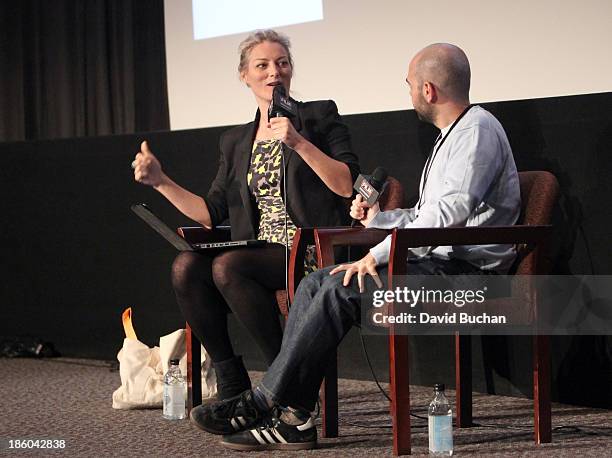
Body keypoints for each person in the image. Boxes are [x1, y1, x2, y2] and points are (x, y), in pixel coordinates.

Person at [189, 42, 521, 451]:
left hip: (470, 277)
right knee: (316, 283)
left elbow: (446, 219)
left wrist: (376, 254)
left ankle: (266, 401)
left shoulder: (477, 131)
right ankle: (294, 418)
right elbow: (426, 215)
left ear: (429, 91)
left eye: (411, 86)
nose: (411, 93)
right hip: (438, 261)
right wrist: (379, 221)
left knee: (339, 287)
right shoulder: (452, 136)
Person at [132, 30, 359, 402]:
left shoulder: (318, 116)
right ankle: (232, 379)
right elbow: (211, 212)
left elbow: (347, 186)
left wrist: (299, 142)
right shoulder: (236, 140)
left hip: (309, 250)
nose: (275, 72)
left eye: (282, 63)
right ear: (245, 76)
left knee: (228, 266)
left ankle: (286, 382)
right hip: (259, 250)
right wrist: (160, 182)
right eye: (263, 65)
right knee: (186, 266)